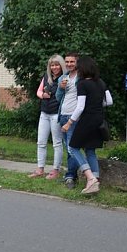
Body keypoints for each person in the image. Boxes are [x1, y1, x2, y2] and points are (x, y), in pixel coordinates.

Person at [61, 56, 113, 195]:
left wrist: (69, 123)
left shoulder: (82, 84)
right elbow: (109, 101)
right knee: (90, 150)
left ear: (83, 68)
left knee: (73, 147)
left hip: (87, 120)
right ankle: (95, 180)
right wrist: (96, 104)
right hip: (99, 120)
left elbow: (80, 107)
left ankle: (90, 178)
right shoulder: (101, 82)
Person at [29, 55, 65, 179]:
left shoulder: (64, 79)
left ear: (61, 65)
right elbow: (38, 91)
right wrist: (43, 95)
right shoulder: (47, 77)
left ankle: (56, 170)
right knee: (41, 142)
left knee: (57, 143)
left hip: (56, 114)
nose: (54, 67)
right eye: (52, 65)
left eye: (57, 64)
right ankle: (40, 169)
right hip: (44, 113)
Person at [56, 52, 81, 189]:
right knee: (69, 148)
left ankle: (71, 176)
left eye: (72, 62)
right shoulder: (63, 78)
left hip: (74, 116)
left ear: (77, 63)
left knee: (73, 148)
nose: (69, 64)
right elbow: (58, 98)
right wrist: (61, 88)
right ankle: (72, 174)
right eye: (67, 62)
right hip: (63, 115)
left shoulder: (81, 78)